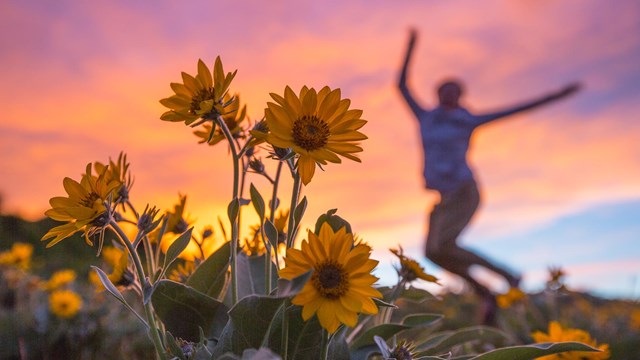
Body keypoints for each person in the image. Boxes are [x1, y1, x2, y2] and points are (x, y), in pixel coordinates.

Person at [397, 29, 580, 324]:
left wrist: (556, 95)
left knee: (443, 245)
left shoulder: (468, 120)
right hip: (443, 196)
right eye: (444, 89)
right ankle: (486, 292)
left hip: (465, 190)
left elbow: (515, 110)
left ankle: (506, 277)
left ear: (461, 97)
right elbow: (401, 86)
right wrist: (410, 47)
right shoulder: (426, 117)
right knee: (433, 252)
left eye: (454, 91)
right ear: (437, 94)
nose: (449, 94)